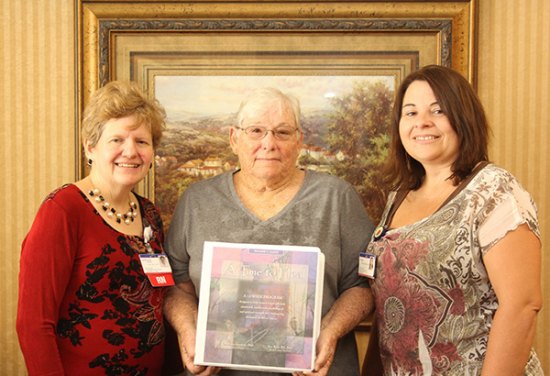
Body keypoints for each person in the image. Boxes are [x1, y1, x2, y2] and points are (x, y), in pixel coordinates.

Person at [164, 87, 375, 376]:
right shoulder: (197, 200)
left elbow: (363, 286)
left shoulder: (337, 198)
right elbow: (177, 285)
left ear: (299, 140)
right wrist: (189, 330)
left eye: (282, 132)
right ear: (234, 138)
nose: (269, 143)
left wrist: (330, 330)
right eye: (256, 130)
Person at [365, 65, 543, 375]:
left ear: (463, 118)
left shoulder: (493, 190)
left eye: (438, 110)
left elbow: (521, 306)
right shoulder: (397, 198)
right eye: (410, 113)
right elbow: (388, 309)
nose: (422, 122)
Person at [17, 81, 170, 375]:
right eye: (117, 140)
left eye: (142, 141)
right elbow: (33, 323)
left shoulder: (149, 213)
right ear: (91, 146)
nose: (130, 151)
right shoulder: (63, 210)